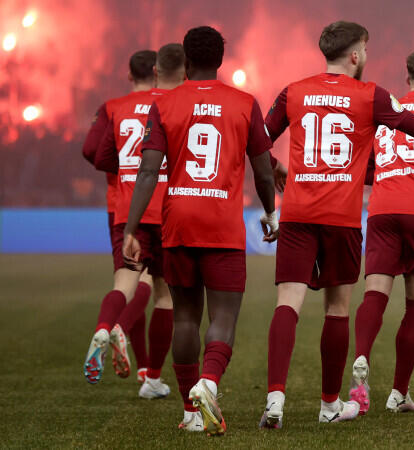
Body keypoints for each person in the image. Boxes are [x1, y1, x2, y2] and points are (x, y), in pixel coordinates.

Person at [260, 21, 414, 429]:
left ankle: (274, 400)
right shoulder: (372, 94)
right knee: (337, 310)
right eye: (366, 51)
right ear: (356, 55)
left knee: (287, 303)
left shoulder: (294, 90)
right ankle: (328, 405)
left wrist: (275, 167)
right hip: (340, 220)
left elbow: (257, 139)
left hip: (298, 214)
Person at [123, 26, 278, 435]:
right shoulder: (244, 103)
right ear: (221, 61)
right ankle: (208, 384)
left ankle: (191, 413)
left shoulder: (166, 104)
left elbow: (148, 170)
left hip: (178, 222)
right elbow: (264, 172)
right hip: (222, 224)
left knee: (186, 318)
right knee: (223, 316)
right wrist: (271, 212)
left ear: (186, 62)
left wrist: (132, 228)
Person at [349, 48, 414, 415]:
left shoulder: (385, 111)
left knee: (375, 293)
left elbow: (366, 166)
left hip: (382, 209)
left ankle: (361, 358)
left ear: (407, 78)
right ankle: (398, 392)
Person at [91, 44, 188, 401]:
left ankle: (104, 327)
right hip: (168, 208)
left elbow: (99, 155)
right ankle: (152, 379)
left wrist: (127, 172)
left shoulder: (117, 107)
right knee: (165, 295)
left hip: (129, 208)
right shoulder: (176, 103)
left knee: (125, 282)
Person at [82, 50, 158, 387]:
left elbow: (91, 151)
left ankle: (141, 366)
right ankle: (120, 329)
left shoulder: (112, 107)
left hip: (120, 203)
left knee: (125, 279)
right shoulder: (167, 101)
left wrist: (120, 169)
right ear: (158, 73)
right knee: (148, 282)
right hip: (156, 201)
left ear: (129, 75)